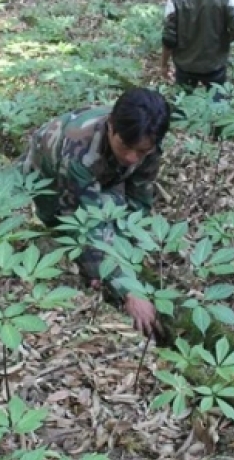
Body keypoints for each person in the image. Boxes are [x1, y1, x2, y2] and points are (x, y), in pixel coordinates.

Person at [17, 88, 172, 339]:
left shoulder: (148, 141)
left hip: (103, 170)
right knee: (58, 225)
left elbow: (140, 199)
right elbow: (84, 223)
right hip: (47, 173)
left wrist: (130, 245)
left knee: (113, 221)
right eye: (126, 147)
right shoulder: (77, 152)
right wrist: (127, 290)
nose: (133, 158)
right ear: (111, 126)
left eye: (142, 152)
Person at [161, 0, 234, 95]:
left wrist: (164, 65)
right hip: (214, 64)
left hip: (185, 65)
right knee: (217, 106)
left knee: (183, 103)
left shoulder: (174, 2)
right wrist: (223, 40)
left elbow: (169, 39)